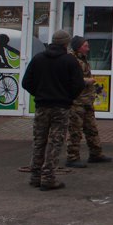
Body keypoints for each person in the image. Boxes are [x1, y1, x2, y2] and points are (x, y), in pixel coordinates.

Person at [21, 30, 85, 191]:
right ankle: (48, 177)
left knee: (39, 141)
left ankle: (35, 176)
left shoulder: (38, 58)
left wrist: (39, 93)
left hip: (42, 106)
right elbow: (78, 84)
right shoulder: (69, 61)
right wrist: (68, 97)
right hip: (61, 108)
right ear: (66, 43)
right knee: (55, 142)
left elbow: (26, 82)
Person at [65, 36, 112, 168]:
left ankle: (96, 154)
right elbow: (70, 79)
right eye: (85, 46)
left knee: (91, 128)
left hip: (87, 100)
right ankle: (72, 157)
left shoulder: (83, 59)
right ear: (78, 47)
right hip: (77, 101)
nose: (88, 48)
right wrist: (87, 81)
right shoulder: (72, 60)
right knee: (75, 130)